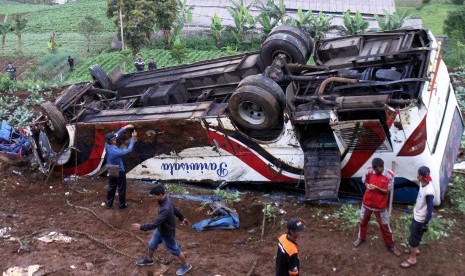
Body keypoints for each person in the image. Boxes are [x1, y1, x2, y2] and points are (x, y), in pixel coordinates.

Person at [132, 184, 193, 275]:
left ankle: (187, 265)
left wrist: (141, 227)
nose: (154, 197)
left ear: (160, 195)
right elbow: (175, 209)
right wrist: (182, 218)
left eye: (155, 196)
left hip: (167, 233)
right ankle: (149, 259)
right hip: (160, 229)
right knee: (152, 244)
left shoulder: (165, 208)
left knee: (175, 250)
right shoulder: (166, 198)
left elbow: (156, 223)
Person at [353, 158, 401, 256]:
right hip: (367, 203)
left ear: (382, 166)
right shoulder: (369, 170)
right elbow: (365, 181)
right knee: (363, 222)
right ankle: (361, 238)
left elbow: (387, 191)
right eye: (374, 170)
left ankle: (390, 245)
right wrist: (367, 186)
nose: (375, 171)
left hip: (380, 206)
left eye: (377, 170)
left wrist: (377, 188)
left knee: (384, 226)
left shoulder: (389, 175)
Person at [401, 166, 435, 268]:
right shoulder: (423, 183)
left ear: (420, 176)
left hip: (420, 219)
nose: (417, 175)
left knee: (413, 238)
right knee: (416, 235)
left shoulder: (429, 192)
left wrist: (426, 223)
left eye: (418, 173)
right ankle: (416, 249)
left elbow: (430, 210)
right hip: (417, 214)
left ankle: (413, 258)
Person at [104, 124, 136, 209]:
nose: (116, 139)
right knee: (121, 188)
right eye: (114, 139)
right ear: (112, 141)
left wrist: (125, 128)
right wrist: (133, 140)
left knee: (111, 187)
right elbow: (129, 150)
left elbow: (116, 135)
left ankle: (109, 204)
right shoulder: (115, 151)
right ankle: (122, 205)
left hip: (111, 168)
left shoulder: (106, 144)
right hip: (119, 170)